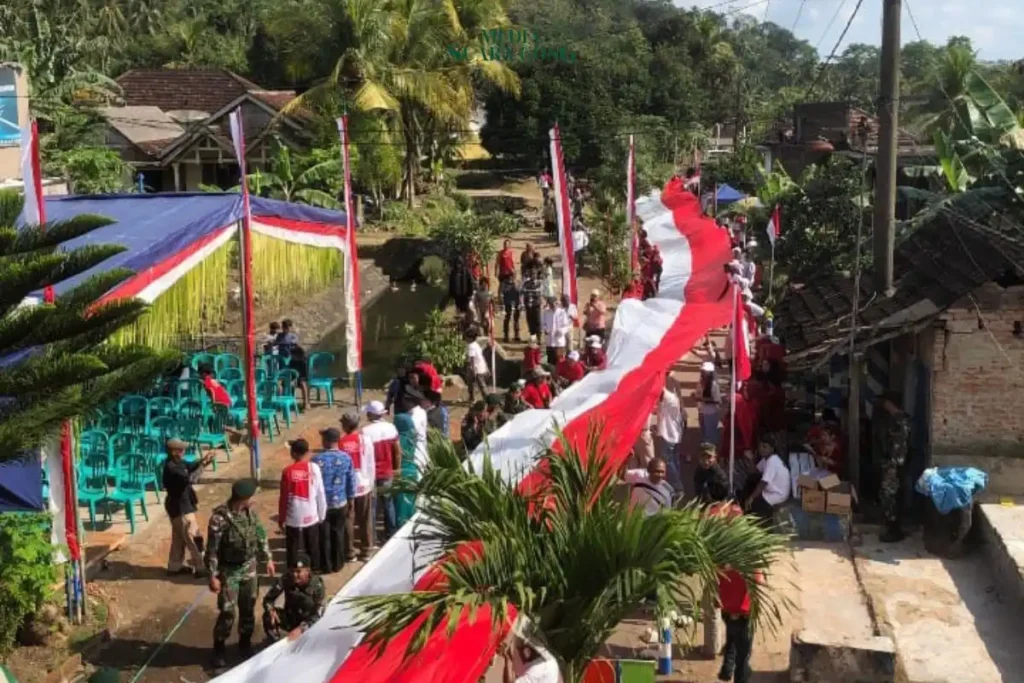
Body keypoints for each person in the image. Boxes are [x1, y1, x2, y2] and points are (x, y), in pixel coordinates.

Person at [205, 479, 274, 668]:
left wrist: (267, 559)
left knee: (248, 607)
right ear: (243, 498)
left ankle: (245, 643)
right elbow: (212, 550)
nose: (253, 500)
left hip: (249, 568)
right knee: (227, 611)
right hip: (229, 571)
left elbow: (261, 536)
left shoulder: (250, 514)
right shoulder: (219, 519)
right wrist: (212, 575)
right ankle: (219, 647)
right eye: (251, 497)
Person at [711, 502, 761, 683]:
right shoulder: (749, 548)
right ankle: (738, 676)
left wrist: (716, 597)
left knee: (732, 636)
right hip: (744, 610)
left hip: (727, 607)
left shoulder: (720, 547)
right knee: (744, 654)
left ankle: (726, 669)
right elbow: (757, 580)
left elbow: (715, 576)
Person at [162, 438, 215, 575]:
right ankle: (201, 568)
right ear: (174, 452)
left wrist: (204, 460)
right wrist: (203, 466)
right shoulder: (172, 468)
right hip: (181, 507)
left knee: (179, 537)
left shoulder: (177, 463)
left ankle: (174, 567)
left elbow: (191, 466)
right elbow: (191, 478)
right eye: (181, 449)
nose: (184, 451)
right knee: (193, 537)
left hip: (178, 505)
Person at [279, 438, 327, 572]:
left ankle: (292, 571)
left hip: (293, 516)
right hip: (311, 514)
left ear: (293, 453)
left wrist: (282, 518)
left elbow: (283, 497)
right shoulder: (314, 468)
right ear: (307, 452)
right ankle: (314, 570)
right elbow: (320, 492)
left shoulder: (287, 471)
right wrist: (322, 514)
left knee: (292, 546)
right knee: (312, 545)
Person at [312, 426, 355, 574]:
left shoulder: (316, 460)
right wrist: (351, 500)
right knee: (338, 533)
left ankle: (327, 565)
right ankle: (338, 563)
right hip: (340, 502)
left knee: (324, 535)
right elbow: (351, 480)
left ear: (326, 441)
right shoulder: (346, 458)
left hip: (322, 504)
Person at [262, 552, 325, 644]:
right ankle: (274, 644)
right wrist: (271, 610)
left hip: (308, 623)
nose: (295, 575)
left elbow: (319, 613)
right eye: (293, 571)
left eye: (299, 571)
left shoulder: (317, 585)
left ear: (307, 571)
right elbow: (268, 599)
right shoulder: (287, 578)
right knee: (267, 616)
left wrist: (301, 629)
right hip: (291, 618)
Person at [337, 411, 374, 563]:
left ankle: (350, 551)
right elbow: (371, 463)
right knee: (365, 519)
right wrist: (370, 484)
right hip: (364, 485)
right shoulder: (365, 440)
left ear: (346, 425)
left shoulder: (340, 443)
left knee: (348, 520)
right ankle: (366, 550)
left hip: (347, 488)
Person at [363, 400, 401, 543]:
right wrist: (397, 468)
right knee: (388, 503)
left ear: (371, 414)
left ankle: (371, 537)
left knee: (372, 507)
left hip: (372, 474)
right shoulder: (391, 428)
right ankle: (391, 533)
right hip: (387, 472)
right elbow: (397, 451)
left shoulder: (365, 432)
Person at [878, 392, 911, 543]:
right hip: (891, 463)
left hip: (894, 465)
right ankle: (891, 527)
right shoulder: (895, 419)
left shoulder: (901, 420)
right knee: (887, 495)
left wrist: (894, 463)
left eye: (886, 403)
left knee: (890, 496)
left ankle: (893, 529)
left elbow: (899, 446)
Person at [743, 438, 790, 525]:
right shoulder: (766, 459)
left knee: (755, 504)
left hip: (777, 494)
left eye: (765, 447)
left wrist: (751, 498)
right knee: (750, 481)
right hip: (771, 490)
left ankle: (761, 526)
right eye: (760, 446)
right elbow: (754, 471)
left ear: (772, 449)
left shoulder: (772, 461)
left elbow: (763, 483)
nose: (761, 449)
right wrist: (750, 459)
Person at [656, 378, 685, 491]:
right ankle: (676, 482)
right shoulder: (675, 400)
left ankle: (676, 484)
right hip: (675, 434)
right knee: (675, 459)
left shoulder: (669, 399)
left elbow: (660, 390)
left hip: (668, 434)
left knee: (667, 460)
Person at [394, 402, 419, 526]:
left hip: (402, 472)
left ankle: (401, 525)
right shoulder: (413, 435)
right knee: (411, 501)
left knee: (401, 504)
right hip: (413, 470)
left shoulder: (398, 440)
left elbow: (397, 455)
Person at [696, 361, 722, 446]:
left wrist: (703, 399)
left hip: (711, 413)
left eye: (704, 371)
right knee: (704, 433)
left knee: (710, 435)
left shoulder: (714, 385)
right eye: (702, 371)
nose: (702, 373)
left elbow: (717, 400)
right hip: (702, 412)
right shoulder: (700, 383)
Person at [541, 297, 571, 366]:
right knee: (550, 361)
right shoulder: (546, 312)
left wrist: (561, 331)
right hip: (550, 341)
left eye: (553, 303)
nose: (552, 305)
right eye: (550, 304)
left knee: (560, 361)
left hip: (559, 342)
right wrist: (545, 329)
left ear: (556, 303)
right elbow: (543, 324)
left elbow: (566, 326)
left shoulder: (562, 312)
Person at [465, 328, 491, 403]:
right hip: (481, 367)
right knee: (474, 384)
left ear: (470, 338)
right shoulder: (476, 345)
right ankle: (472, 397)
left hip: (476, 369)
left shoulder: (471, 346)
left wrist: (472, 370)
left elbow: (471, 359)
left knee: (480, 385)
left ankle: (486, 400)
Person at [408, 388, 429, 470]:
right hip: (417, 453)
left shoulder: (417, 414)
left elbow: (412, 431)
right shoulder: (417, 412)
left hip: (417, 454)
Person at [500, 274, 522, 343]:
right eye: (510, 277)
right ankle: (506, 336)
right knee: (507, 319)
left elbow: (520, 291)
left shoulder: (517, 282)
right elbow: (502, 292)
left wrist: (515, 285)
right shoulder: (504, 283)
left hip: (516, 302)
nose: (511, 278)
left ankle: (517, 335)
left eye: (512, 277)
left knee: (516, 319)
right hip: (508, 303)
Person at [521, 269, 543, 338]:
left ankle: (539, 338)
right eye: (532, 274)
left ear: (536, 275)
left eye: (534, 274)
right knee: (530, 321)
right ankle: (533, 337)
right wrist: (522, 304)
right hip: (528, 305)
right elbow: (522, 293)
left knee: (538, 321)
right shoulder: (526, 283)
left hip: (536, 305)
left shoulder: (539, 283)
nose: (533, 275)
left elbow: (541, 292)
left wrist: (535, 291)